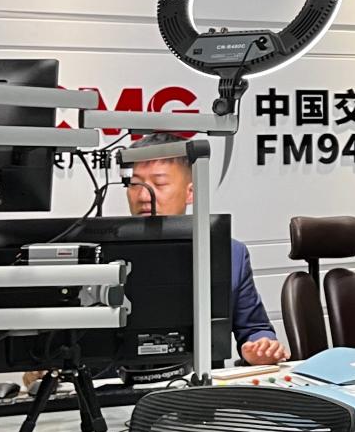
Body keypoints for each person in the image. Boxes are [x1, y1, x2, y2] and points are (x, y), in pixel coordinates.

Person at [122, 141, 288, 367]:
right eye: (134, 184)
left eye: (159, 184)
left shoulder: (231, 254)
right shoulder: (96, 256)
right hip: (111, 384)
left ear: (191, 192)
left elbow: (255, 329)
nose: (143, 196)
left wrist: (261, 346)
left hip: (200, 383)